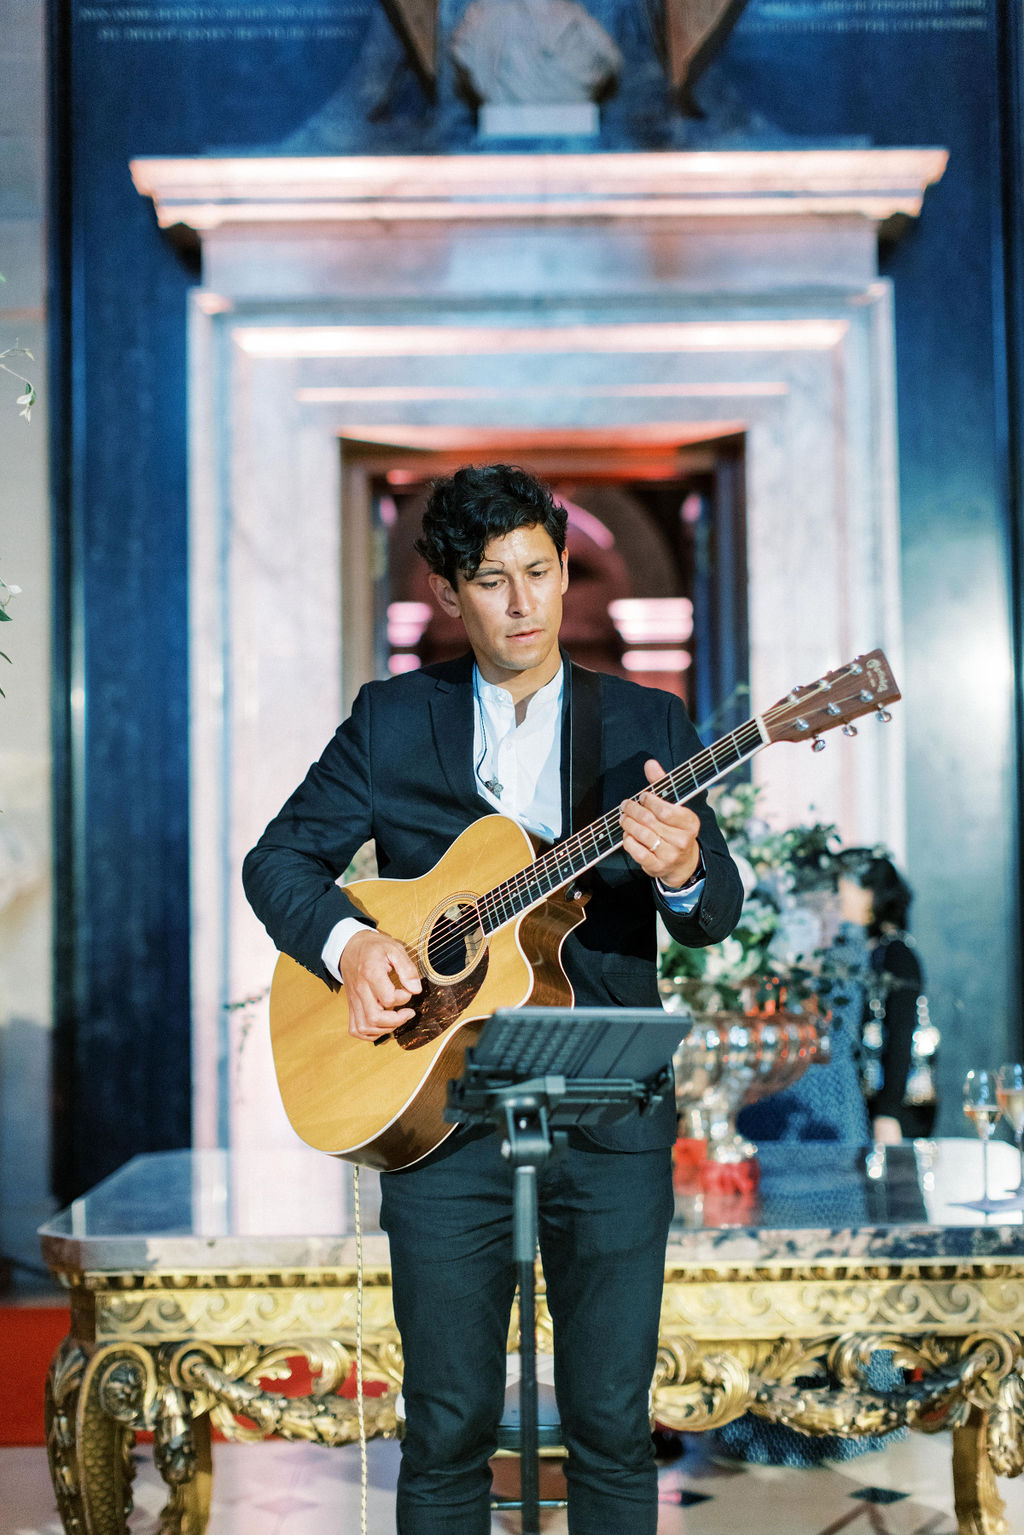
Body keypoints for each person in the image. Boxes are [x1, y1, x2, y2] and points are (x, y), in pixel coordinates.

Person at [243, 463, 743, 1534]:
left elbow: (714, 910)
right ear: (448, 593)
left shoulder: (644, 718)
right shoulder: (390, 719)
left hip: (609, 1117)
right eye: (491, 580)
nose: (521, 603)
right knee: (449, 1424)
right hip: (440, 1117)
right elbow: (278, 861)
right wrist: (353, 943)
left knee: (612, 1422)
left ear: (564, 571)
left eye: (539, 571)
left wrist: (681, 868)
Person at [836, 848, 935, 1143]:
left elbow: (902, 1034)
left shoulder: (897, 954)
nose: (837, 897)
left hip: (893, 1107)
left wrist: (888, 1114)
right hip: (865, 1103)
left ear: (870, 894)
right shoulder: (860, 950)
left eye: (843, 887)